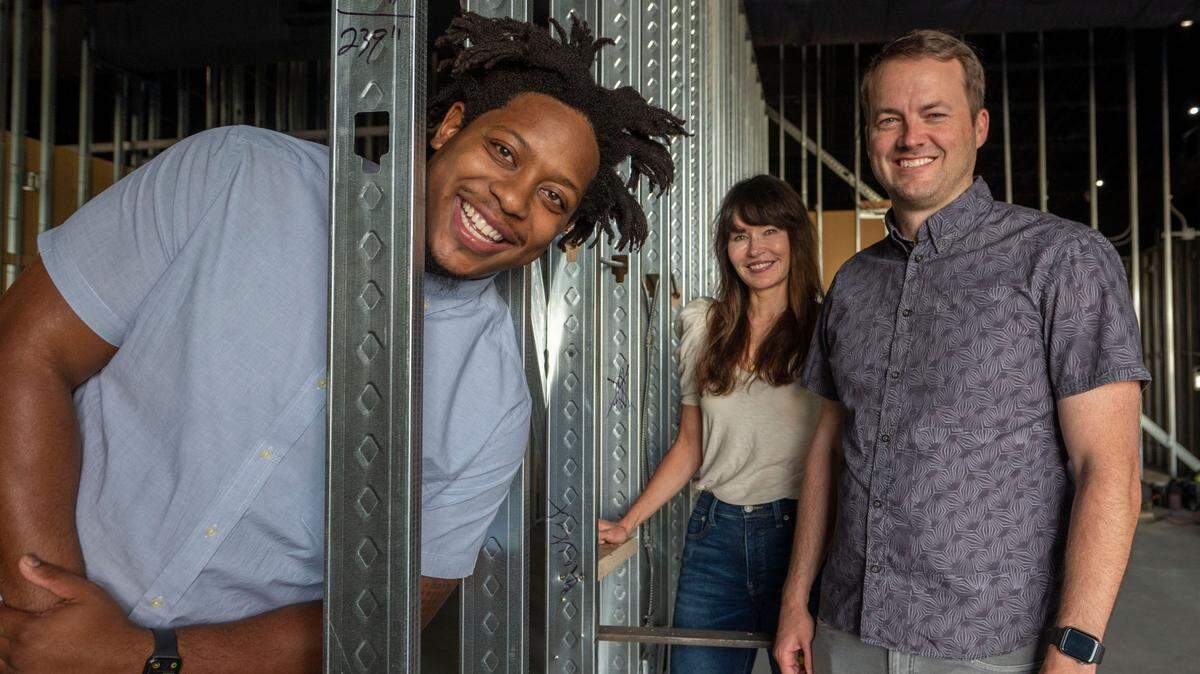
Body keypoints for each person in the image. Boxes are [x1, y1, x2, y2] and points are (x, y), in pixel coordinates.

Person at [0, 13, 685, 673]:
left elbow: (388, 615)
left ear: (559, 233)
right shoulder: (234, 177)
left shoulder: (495, 407)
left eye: (553, 197)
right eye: (504, 151)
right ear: (450, 127)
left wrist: (138, 660)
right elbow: (26, 352)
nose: (512, 198)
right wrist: (46, 619)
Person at [773, 30, 1148, 674]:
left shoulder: (1062, 260)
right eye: (889, 118)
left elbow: (1109, 470)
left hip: (991, 643)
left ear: (978, 126)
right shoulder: (853, 283)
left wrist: (1075, 650)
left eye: (934, 114)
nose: (910, 137)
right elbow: (827, 451)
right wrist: (795, 600)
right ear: (870, 136)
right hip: (847, 627)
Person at [597, 175, 823, 674]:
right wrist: (628, 522)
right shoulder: (705, 325)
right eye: (740, 235)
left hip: (806, 537)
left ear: (794, 238)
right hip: (716, 534)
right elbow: (690, 445)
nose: (755, 248)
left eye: (768, 232)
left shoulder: (828, 329)